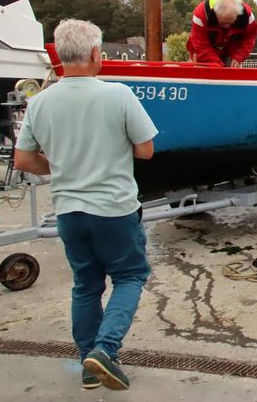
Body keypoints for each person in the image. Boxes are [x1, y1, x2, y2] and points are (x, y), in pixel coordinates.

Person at [13, 19, 158, 391]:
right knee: (129, 277)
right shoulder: (118, 95)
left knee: (86, 285)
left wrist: (63, 165)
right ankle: (105, 349)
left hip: (69, 212)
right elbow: (145, 150)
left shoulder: (40, 102)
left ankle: (88, 365)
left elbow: (24, 160)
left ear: (60, 56)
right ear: (96, 54)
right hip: (114, 210)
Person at [186, 0, 257, 67]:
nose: (227, 26)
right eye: (224, 23)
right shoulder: (200, 15)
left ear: (238, 14)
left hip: (230, 54)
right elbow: (200, 44)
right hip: (202, 56)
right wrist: (217, 64)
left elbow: (249, 38)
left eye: (231, 22)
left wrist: (239, 56)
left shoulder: (248, 17)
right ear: (215, 14)